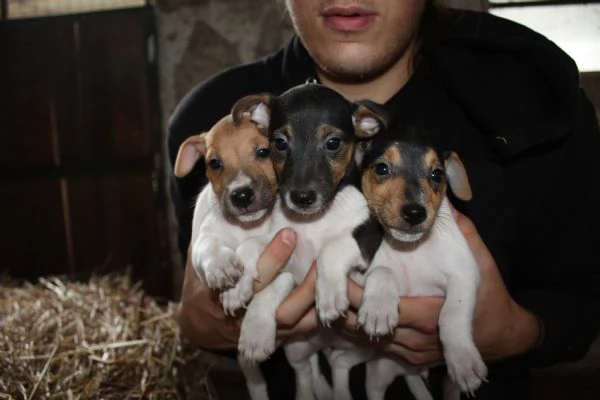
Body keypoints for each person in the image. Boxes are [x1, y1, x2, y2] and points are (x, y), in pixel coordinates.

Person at [167, 1, 600, 399]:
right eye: (277, 147)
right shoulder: (217, 123)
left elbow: (582, 301)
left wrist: (518, 333)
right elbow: (212, 284)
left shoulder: (538, 101)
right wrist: (198, 326)